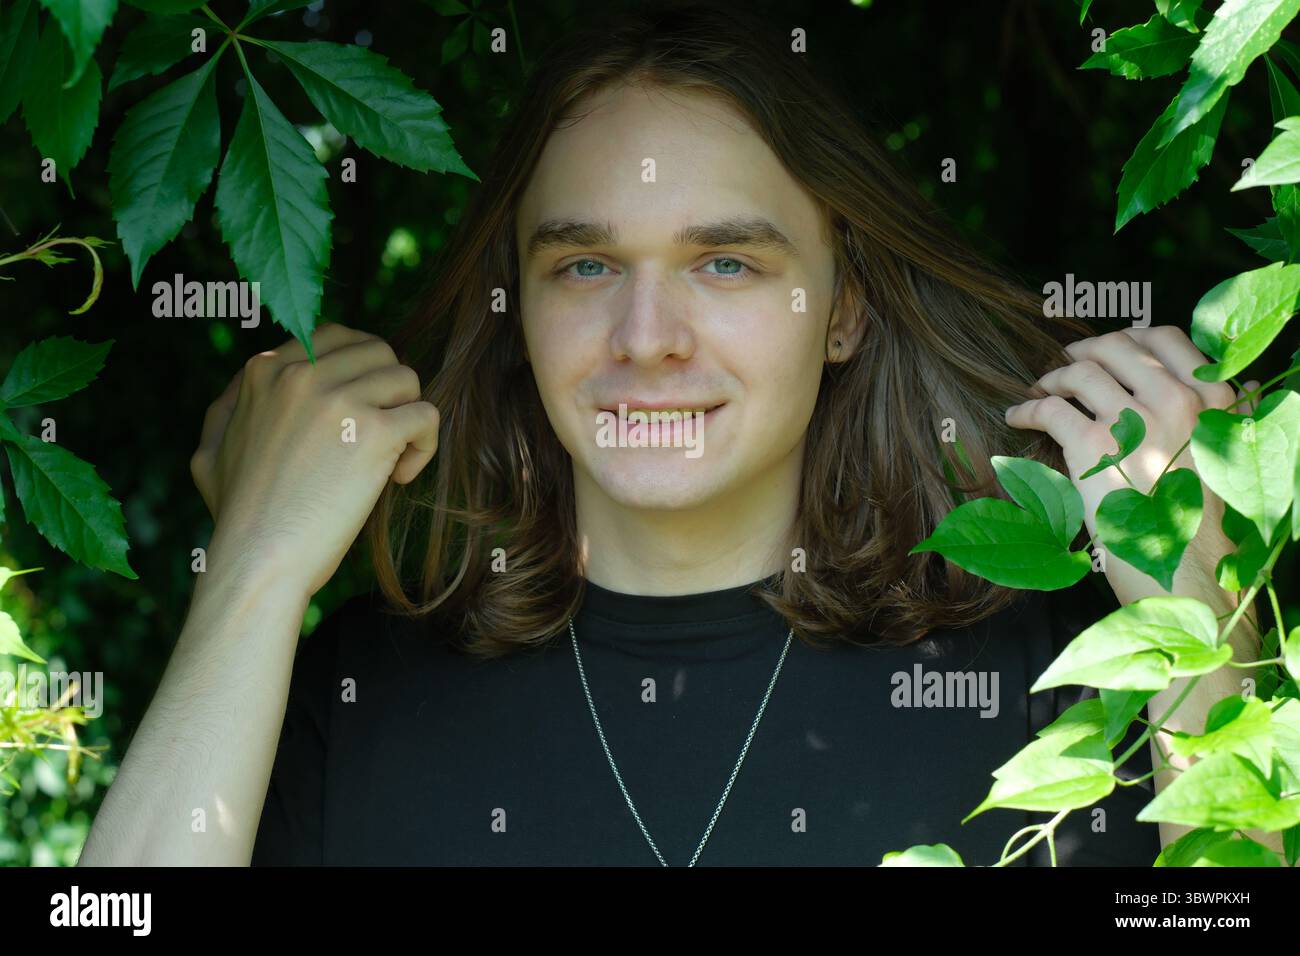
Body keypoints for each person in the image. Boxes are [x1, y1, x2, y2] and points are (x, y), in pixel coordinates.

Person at [78, 0, 1260, 867]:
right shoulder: (351, 695)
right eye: (586, 262)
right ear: (520, 304)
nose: (646, 335)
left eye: (726, 261)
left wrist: (1202, 614)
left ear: (842, 307)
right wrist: (249, 573)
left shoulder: (1057, 676)